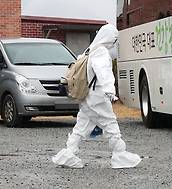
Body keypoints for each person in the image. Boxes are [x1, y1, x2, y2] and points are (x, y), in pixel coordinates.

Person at [51, 24, 142, 170]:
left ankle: (68, 155)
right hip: (98, 97)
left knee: (81, 127)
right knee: (110, 124)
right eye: (114, 38)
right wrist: (110, 90)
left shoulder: (89, 50)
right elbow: (103, 71)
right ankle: (119, 155)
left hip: (87, 98)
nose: (114, 42)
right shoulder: (101, 52)